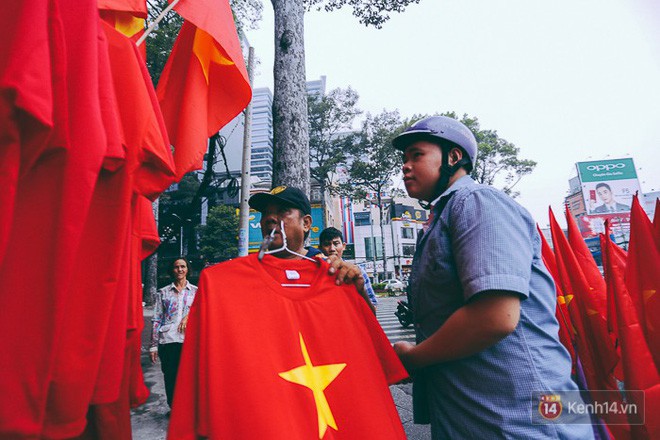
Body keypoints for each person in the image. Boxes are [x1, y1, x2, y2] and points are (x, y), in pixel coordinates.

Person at [390, 116, 593, 438]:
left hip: (522, 415)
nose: (405, 166)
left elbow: (495, 317)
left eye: (416, 155)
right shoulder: (442, 216)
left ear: (453, 158)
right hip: (475, 413)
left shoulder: (477, 202)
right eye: (404, 159)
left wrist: (414, 358)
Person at [167, 186, 408, 439]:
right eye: (265, 213)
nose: (270, 218)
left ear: (306, 223)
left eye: (282, 211)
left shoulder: (339, 277)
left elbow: (370, 358)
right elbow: (194, 391)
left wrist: (356, 293)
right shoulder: (222, 284)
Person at [150, 257, 197, 408]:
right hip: (168, 340)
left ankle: (188, 410)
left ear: (187, 269)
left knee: (190, 377)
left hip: (189, 341)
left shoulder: (196, 292)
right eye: (177, 267)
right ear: (172, 270)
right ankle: (174, 408)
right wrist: (153, 346)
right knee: (170, 377)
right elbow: (157, 318)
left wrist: (188, 316)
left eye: (183, 266)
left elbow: (203, 312)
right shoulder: (163, 292)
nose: (180, 270)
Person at [318, 227, 378, 312]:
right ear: (320, 248)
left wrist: (361, 291)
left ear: (343, 246)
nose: (332, 249)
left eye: (336, 243)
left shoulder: (358, 272)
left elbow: (373, 311)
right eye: (327, 244)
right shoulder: (316, 273)